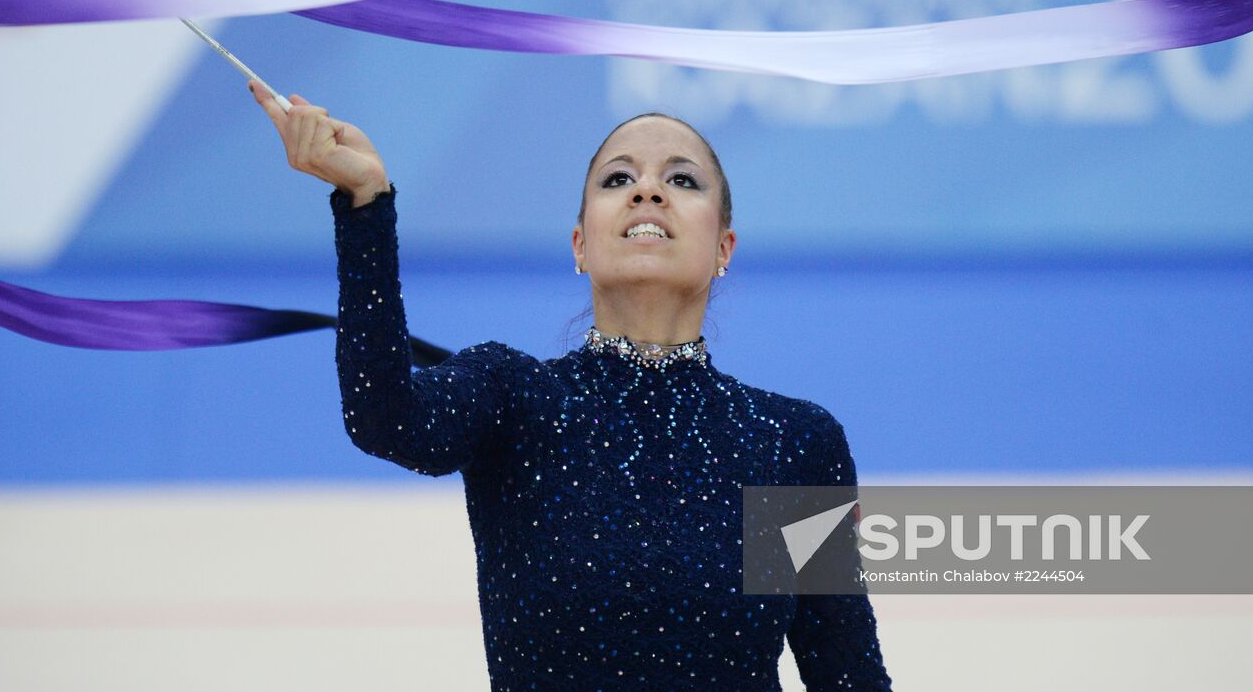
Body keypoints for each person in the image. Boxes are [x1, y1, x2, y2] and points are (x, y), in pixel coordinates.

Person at [248, 80, 894, 691]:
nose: (648, 191)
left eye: (681, 179)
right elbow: (385, 416)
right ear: (580, 243)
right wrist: (366, 206)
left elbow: (848, 677)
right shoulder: (513, 396)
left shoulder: (795, 443)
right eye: (619, 178)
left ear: (724, 246)